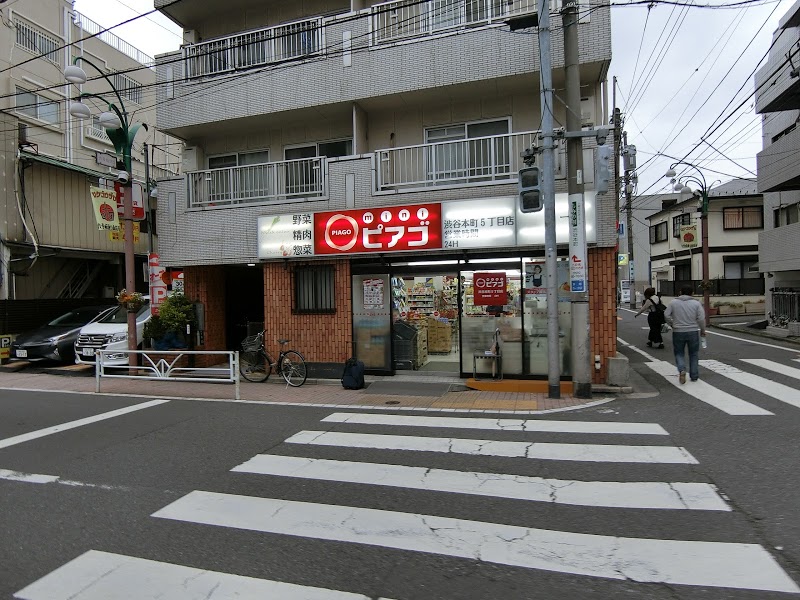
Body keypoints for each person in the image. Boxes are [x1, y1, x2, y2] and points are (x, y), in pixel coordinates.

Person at [664, 285, 706, 384]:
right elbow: (701, 318)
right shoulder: (696, 303)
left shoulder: (673, 302)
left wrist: (672, 324)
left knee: (679, 353)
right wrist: (702, 330)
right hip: (693, 331)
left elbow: (666, 314)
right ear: (692, 293)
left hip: (678, 331)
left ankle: (682, 370)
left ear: (680, 292)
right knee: (694, 354)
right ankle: (694, 375)